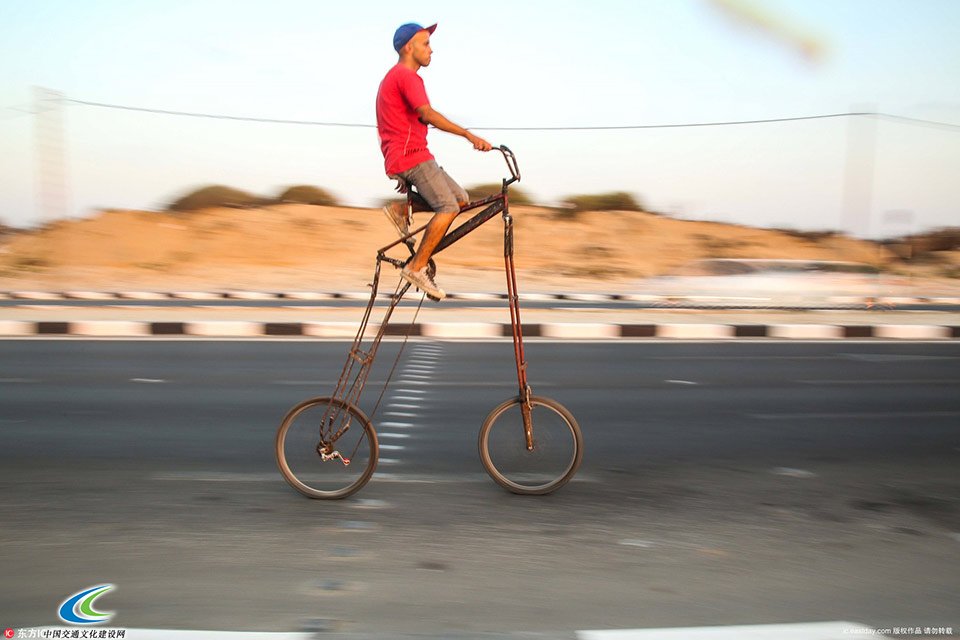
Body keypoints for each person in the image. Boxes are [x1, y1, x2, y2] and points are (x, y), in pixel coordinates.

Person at [376, 22, 492, 300]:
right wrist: (467, 134)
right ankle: (416, 267)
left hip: (409, 155)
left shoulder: (394, 78)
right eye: (425, 43)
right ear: (408, 47)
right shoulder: (406, 77)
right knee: (448, 207)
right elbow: (426, 114)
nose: (431, 49)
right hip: (411, 156)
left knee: (461, 199)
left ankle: (401, 210)